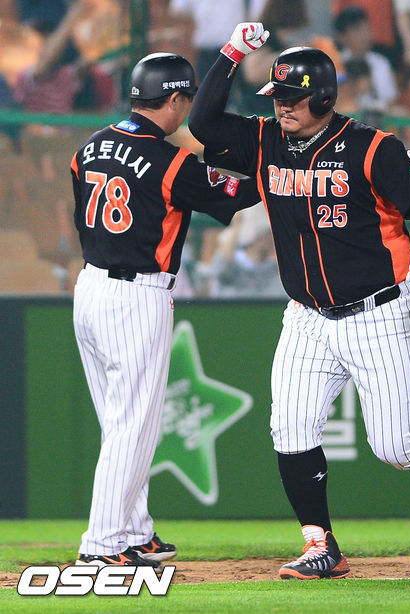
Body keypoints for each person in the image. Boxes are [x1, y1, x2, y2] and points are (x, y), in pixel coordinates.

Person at [189, 23, 410, 580]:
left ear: (324, 97)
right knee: (290, 428)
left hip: (383, 312)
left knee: (398, 447)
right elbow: (202, 125)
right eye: (276, 95)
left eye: (292, 96)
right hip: (307, 316)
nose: (281, 105)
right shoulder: (265, 140)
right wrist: (229, 55)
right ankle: (321, 544)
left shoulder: (372, 147)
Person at [70, 52, 259, 568]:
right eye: (186, 99)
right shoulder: (169, 161)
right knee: (133, 425)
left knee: (121, 423)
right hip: (135, 297)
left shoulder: (89, 147)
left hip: (90, 288)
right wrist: (278, 170)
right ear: (174, 99)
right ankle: (101, 545)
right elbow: (236, 194)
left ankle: (133, 529)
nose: (188, 108)